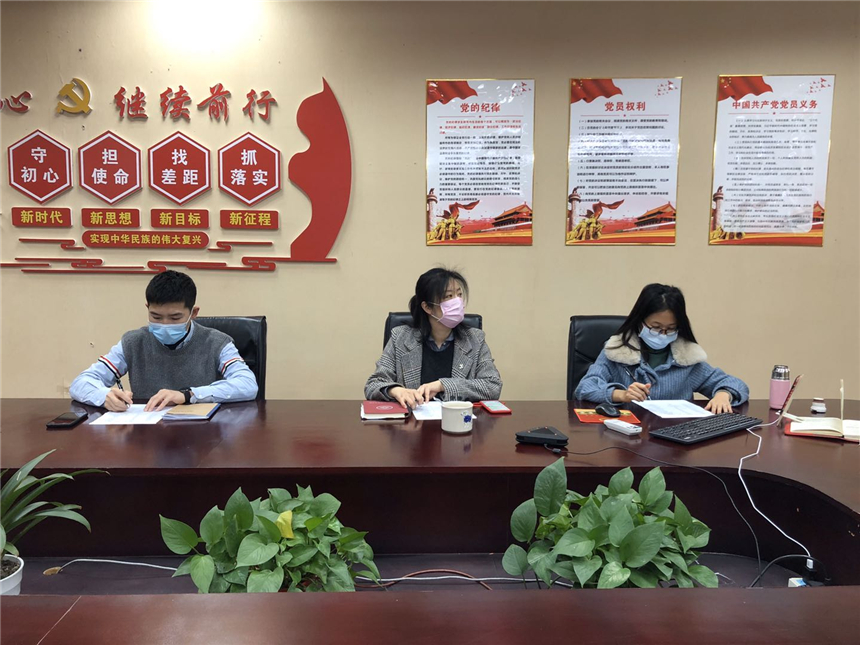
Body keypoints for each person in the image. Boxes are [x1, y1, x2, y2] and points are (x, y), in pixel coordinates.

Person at [70, 270, 258, 412]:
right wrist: (104, 396)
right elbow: (81, 383)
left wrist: (188, 395)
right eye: (156, 317)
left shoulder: (218, 342)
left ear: (193, 313)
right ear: (147, 308)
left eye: (175, 318)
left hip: (202, 435)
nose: (165, 324)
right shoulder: (133, 342)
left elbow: (247, 384)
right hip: (146, 435)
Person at [575, 283, 748, 413]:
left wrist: (723, 395)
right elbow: (585, 388)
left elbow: (736, 384)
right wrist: (621, 395)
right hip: (628, 437)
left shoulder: (686, 358)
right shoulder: (617, 352)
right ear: (639, 322)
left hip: (676, 437)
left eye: (671, 328)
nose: (663, 334)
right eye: (656, 327)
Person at [365, 267, 502, 408]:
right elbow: (373, 384)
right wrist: (395, 390)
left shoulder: (474, 339)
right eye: (449, 296)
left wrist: (443, 385)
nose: (457, 302)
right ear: (427, 307)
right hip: (412, 420)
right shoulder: (400, 337)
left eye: (459, 295)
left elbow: (493, 386)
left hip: (458, 419)